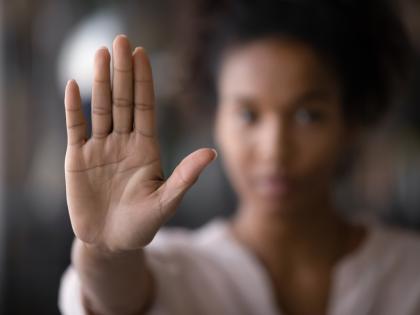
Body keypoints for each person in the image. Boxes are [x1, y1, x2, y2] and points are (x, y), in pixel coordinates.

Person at [59, 1, 420, 314]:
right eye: (248, 115)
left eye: (308, 115)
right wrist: (105, 250)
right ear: (215, 119)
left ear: (350, 123)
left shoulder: (408, 275)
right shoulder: (181, 270)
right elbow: (115, 298)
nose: (274, 149)